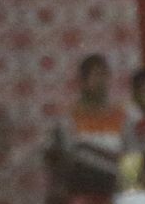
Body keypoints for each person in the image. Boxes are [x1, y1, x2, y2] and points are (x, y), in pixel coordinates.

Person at [53, 54, 127, 196]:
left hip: (117, 184)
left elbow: (130, 154)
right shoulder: (69, 117)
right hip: (84, 185)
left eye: (104, 75)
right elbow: (67, 157)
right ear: (83, 81)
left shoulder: (121, 115)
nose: (101, 82)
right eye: (95, 76)